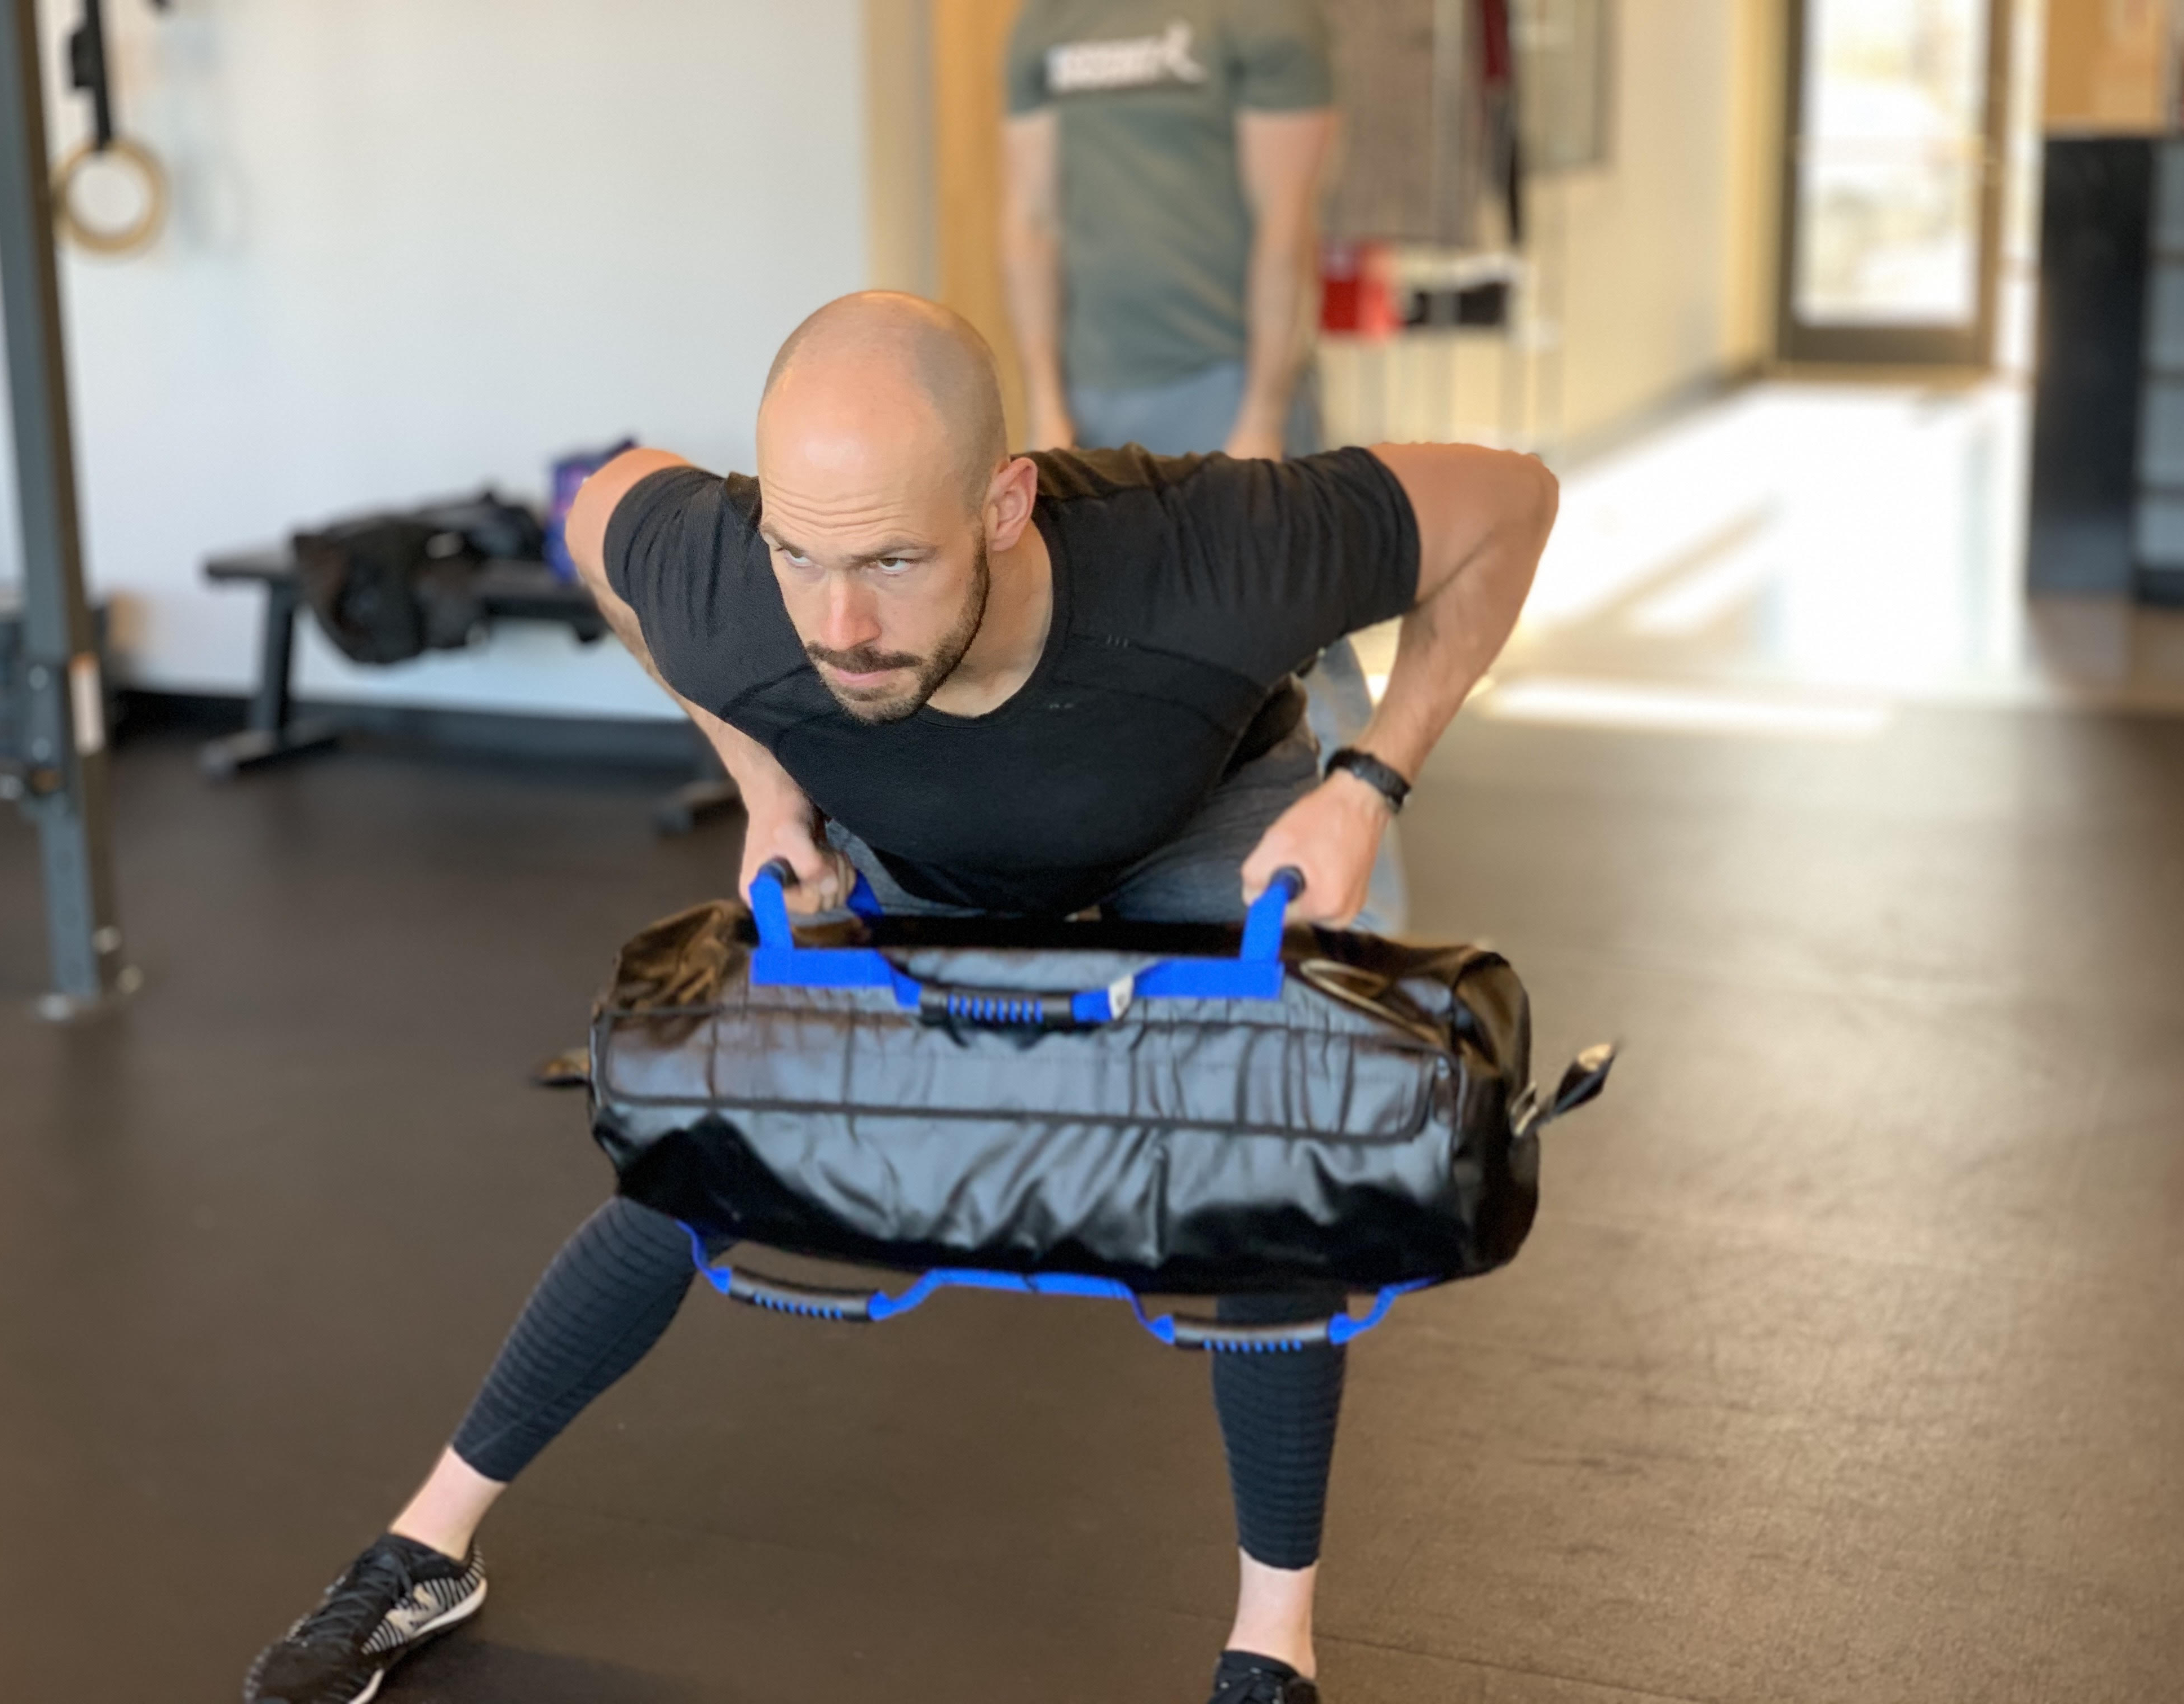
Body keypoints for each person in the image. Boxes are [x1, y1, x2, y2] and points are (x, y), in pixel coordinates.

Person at [242, 292, 1553, 1704]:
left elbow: (1510, 504)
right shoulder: (728, 588)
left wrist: (1369, 783)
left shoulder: (1210, 553)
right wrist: (762, 782)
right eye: (801, 558)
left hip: (1197, 811)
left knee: (1264, 1143)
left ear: (1006, 504)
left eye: (892, 561)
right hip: (919, 851)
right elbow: (597, 509)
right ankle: (427, 1547)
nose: (842, 625)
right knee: (711, 1139)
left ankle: (1272, 1647)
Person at [999, 0, 1407, 930]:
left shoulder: (1265, 18)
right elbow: (1029, 220)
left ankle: (1359, 936)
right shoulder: (1048, 25)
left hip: (1234, 387)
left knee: (1303, 665)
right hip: (1093, 394)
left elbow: (1285, 223)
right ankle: (1144, 922)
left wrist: (1260, 410)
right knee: (1101, 665)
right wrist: (1048, 395)